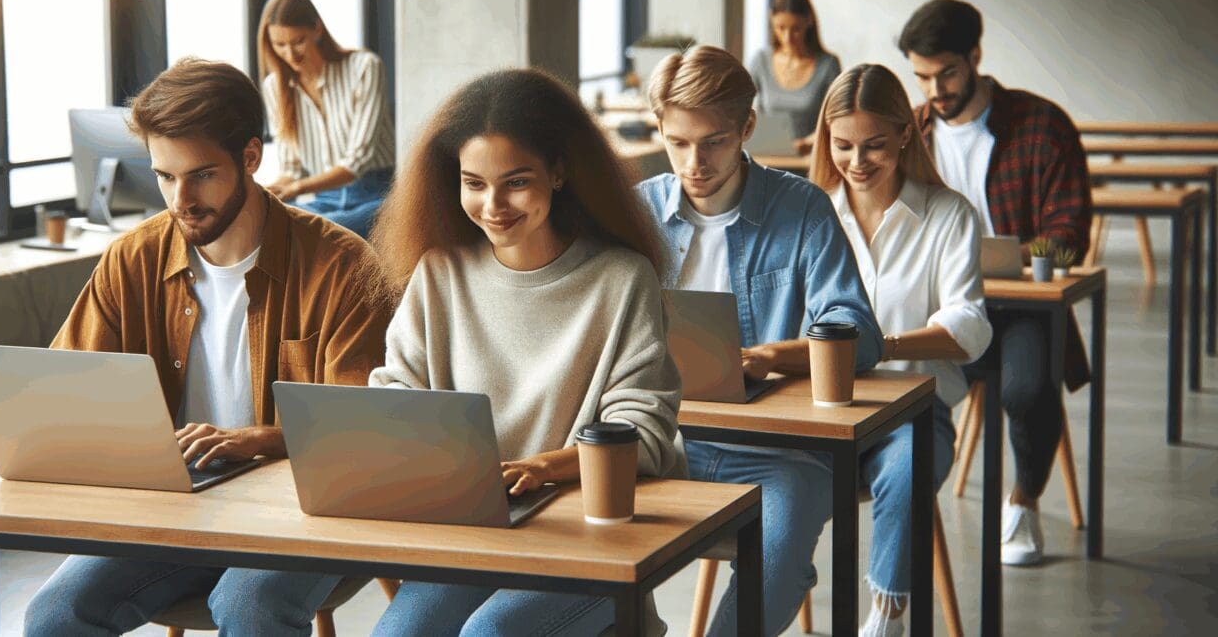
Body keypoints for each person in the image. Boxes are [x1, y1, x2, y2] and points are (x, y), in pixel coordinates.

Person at [23, 58, 392, 636]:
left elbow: (366, 430)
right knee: (54, 614)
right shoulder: (134, 258)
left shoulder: (341, 266)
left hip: (300, 511)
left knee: (249, 605)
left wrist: (261, 439)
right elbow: (66, 387)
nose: (181, 199)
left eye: (201, 175)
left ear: (251, 157)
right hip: (178, 508)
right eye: (165, 177)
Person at [365, 68, 683, 635]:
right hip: (472, 538)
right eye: (474, 183)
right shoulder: (440, 274)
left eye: (515, 182)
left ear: (558, 172)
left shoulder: (621, 278)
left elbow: (645, 435)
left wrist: (542, 468)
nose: (493, 205)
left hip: (585, 544)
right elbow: (395, 397)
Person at [636, 45, 883, 636]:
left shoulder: (802, 207)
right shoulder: (637, 212)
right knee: (575, 538)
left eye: (713, 142)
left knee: (780, 552)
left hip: (779, 451)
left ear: (747, 127)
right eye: (677, 142)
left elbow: (859, 332)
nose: (694, 163)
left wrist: (772, 357)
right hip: (660, 439)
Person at [898, 0, 1093, 566]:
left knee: (1027, 390)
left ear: (976, 56)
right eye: (922, 77)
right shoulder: (911, 133)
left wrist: (1003, 256)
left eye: (946, 73)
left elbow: (1069, 237)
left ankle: (1023, 500)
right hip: (940, 305)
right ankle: (902, 507)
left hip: (1021, 310)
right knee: (885, 378)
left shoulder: (1042, 126)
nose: (934, 90)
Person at [809, 63, 993, 636]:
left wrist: (875, 348)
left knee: (909, 463)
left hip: (914, 412)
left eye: (874, 145)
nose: (857, 162)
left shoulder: (948, 215)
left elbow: (969, 325)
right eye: (843, 145)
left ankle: (887, 615)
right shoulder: (812, 213)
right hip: (820, 414)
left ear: (905, 135)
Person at [259, 0, 396, 237]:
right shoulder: (274, 87)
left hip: (375, 194)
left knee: (319, 229)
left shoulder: (364, 68)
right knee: (266, 223)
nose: (290, 54)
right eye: (280, 45)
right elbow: (291, 170)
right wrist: (263, 194)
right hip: (324, 199)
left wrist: (297, 188)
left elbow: (357, 161)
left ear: (317, 29)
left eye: (298, 41)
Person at [747, 0, 842, 155]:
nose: (787, 38)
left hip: (810, 156)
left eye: (796, 29)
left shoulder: (828, 65)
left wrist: (808, 142)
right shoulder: (760, 60)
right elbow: (738, 107)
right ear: (771, 21)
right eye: (780, 28)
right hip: (767, 155)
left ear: (809, 21)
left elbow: (838, 118)